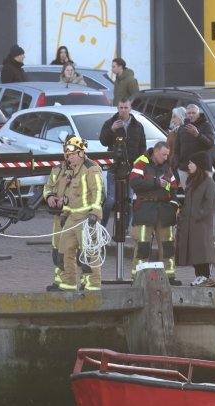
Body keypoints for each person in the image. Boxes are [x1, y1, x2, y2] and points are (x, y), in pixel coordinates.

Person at [44, 136, 104, 292]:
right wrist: (63, 211)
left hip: (86, 218)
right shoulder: (70, 171)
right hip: (71, 218)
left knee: (88, 253)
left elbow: (98, 192)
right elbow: (68, 194)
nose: (69, 157)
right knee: (64, 250)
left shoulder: (91, 169)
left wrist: (95, 213)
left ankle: (92, 286)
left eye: (72, 154)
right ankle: (68, 283)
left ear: (81, 153)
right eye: (68, 155)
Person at [130, 141, 179, 281]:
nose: (166, 157)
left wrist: (174, 205)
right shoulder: (141, 163)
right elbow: (135, 183)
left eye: (167, 155)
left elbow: (174, 187)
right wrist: (156, 182)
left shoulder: (167, 167)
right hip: (146, 208)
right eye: (163, 154)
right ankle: (138, 276)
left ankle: (169, 276)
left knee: (168, 245)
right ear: (156, 152)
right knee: (142, 245)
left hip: (164, 210)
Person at [99, 98, 147, 232]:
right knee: (110, 200)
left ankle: (125, 229)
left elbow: (142, 147)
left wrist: (139, 167)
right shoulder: (110, 123)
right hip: (114, 168)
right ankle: (102, 227)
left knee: (128, 200)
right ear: (117, 108)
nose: (123, 110)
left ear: (130, 108)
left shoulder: (138, 125)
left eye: (126, 108)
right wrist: (112, 130)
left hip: (131, 169)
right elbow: (103, 141)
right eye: (121, 107)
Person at [176, 151, 215, 286]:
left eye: (191, 163)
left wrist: (197, 214)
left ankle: (205, 276)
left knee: (202, 251)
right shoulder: (192, 181)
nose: (188, 165)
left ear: (198, 165)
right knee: (194, 251)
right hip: (190, 223)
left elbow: (209, 205)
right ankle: (199, 275)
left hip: (201, 224)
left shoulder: (208, 182)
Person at [172, 104, 215, 187]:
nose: (191, 115)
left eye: (193, 113)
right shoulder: (181, 128)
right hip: (184, 168)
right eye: (189, 113)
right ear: (186, 115)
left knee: (203, 194)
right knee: (188, 195)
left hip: (202, 168)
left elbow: (210, 144)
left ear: (198, 114)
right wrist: (178, 164)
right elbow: (177, 149)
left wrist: (197, 134)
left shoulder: (206, 125)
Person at [166, 106, 187, 173]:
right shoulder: (172, 133)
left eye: (174, 117)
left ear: (181, 117)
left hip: (181, 168)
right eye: (172, 117)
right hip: (171, 168)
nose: (173, 120)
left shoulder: (188, 133)